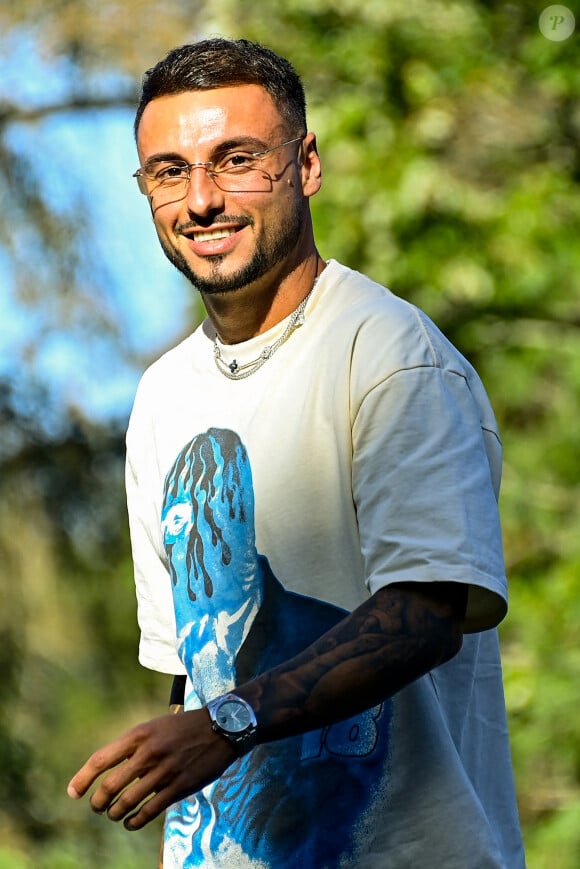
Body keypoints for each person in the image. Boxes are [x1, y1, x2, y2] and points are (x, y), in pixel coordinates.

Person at [67, 38, 526, 868]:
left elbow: (425, 613)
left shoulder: (388, 353)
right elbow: (189, 677)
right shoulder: (164, 396)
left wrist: (228, 723)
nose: (201, 199)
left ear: (306, 164)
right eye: (169, 172)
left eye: (235, 159)